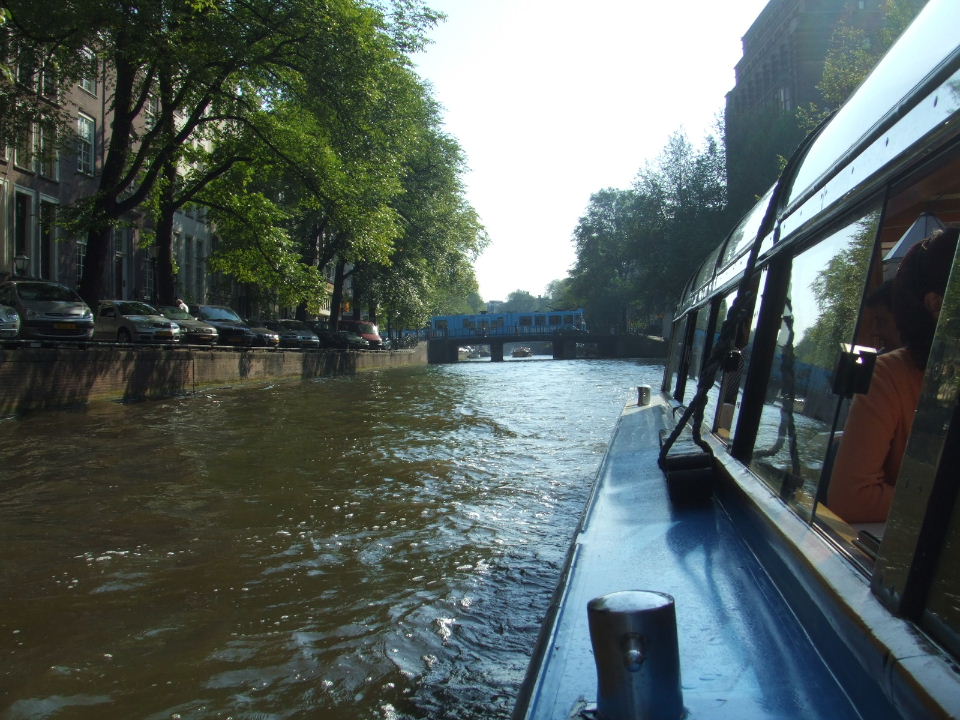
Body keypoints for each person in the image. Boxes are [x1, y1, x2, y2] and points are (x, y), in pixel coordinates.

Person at [828, 227, 959, 524]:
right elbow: (851, 498)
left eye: (880, 322)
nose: (875, 333)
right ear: (937, 305)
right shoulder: (888, 375)